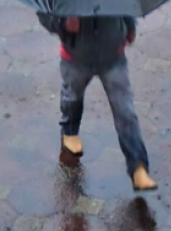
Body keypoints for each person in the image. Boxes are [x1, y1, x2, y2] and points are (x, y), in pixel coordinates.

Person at [37, 13, 157, 191]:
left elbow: (124, 1)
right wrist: (62, 23)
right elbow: (45, 13)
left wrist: (130, 26)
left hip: (113, 56)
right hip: (75, 57)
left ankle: (138, 167)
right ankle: (70, 131)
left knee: (125, 111)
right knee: (72, 97)